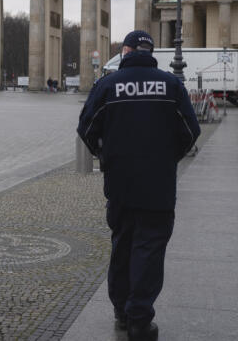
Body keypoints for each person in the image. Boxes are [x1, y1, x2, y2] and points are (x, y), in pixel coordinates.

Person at [77, 30, 200, 341]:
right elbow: (190, 129)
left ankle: (121, 309)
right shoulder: (171, 84)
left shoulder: (107, 85)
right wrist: (167, 158)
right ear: (150, 51)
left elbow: (87, 127)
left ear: (125, 50)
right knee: (149, 249)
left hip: (119, 183)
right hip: (158, 186)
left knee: (122, 245)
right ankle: (139, 319)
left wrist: (105, 155)